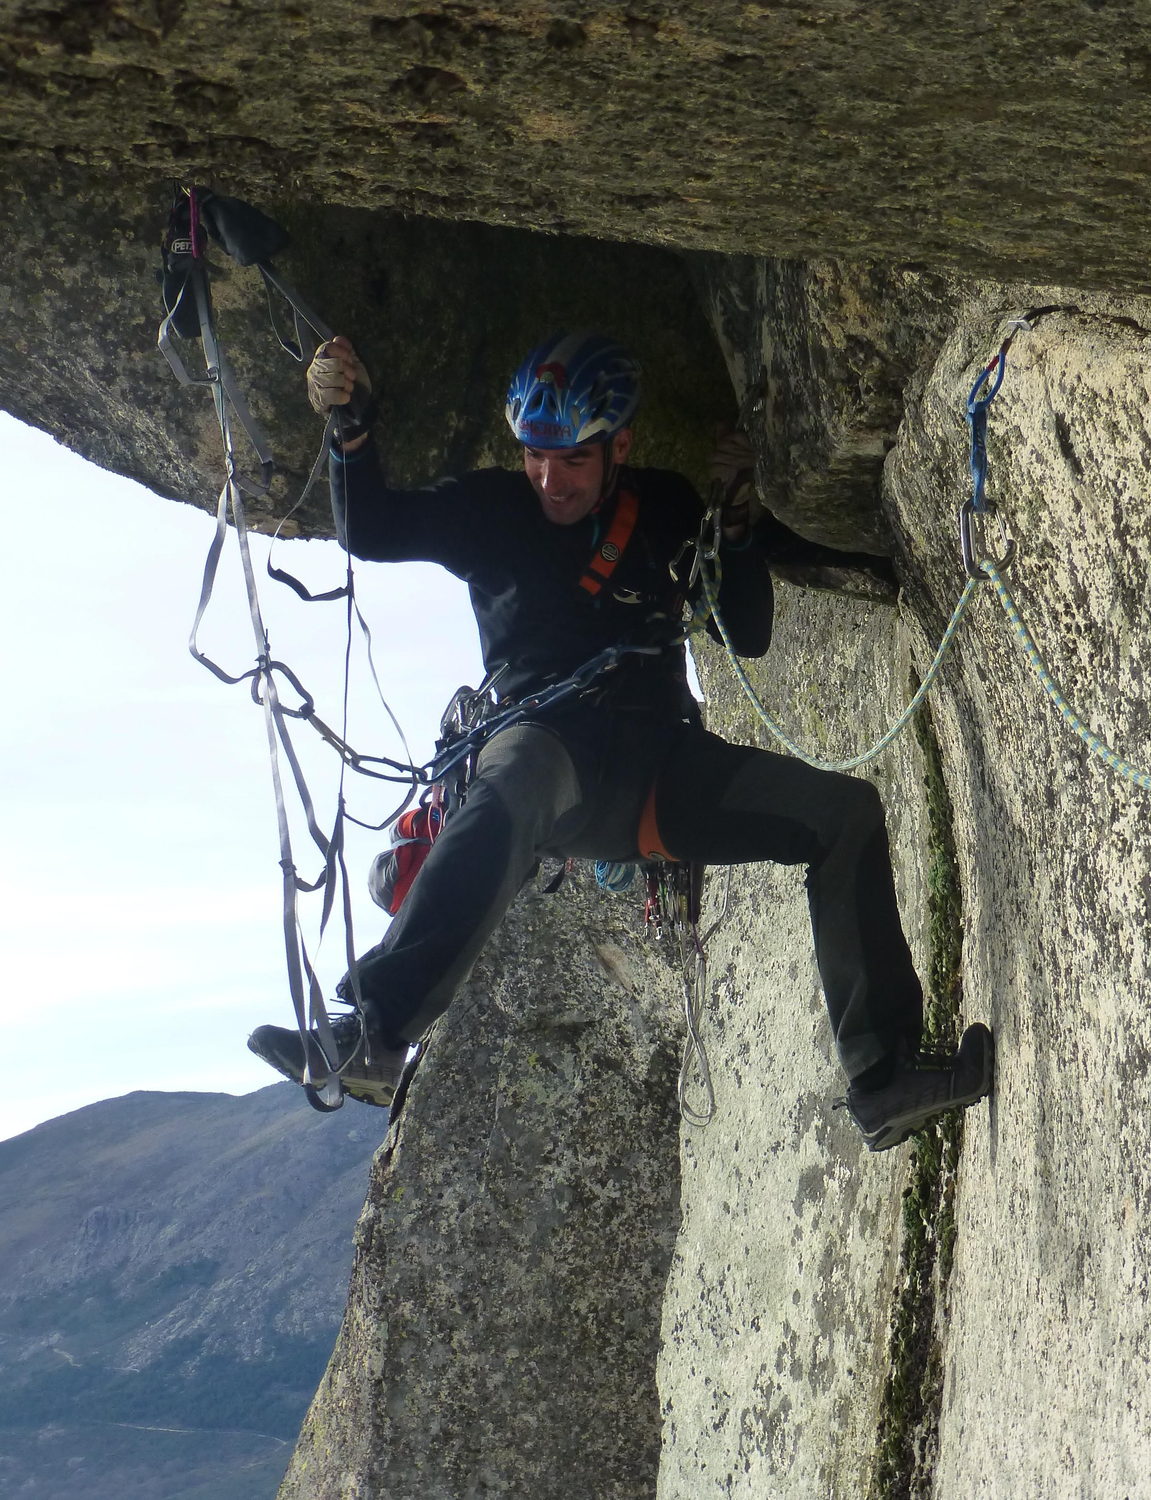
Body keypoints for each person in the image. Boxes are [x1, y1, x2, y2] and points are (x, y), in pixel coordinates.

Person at [246, 331, 992, 1150]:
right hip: (549, 747)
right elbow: (375, 529)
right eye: (535, 456)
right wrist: (350, 428)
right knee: (515, 781)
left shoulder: (663, 506)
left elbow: (746, 633)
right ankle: (375, 1031)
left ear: (620, 446)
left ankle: (884, 1079)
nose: (549, 478)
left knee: (841, 815)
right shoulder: (490, 510)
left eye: (572, 459)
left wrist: (734, 521)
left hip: (659, 764)